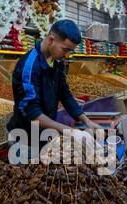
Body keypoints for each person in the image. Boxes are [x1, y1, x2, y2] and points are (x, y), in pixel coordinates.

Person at [6, 19, 102, 154]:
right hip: (24, 141)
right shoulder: (30, 66)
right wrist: (71, 132)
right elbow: (32, 113)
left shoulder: (56, 61)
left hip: (44, 136)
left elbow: (65, 94)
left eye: (71, 51)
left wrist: (86, 121)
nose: (67, 55)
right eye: (66, 49)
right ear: (51, 40)